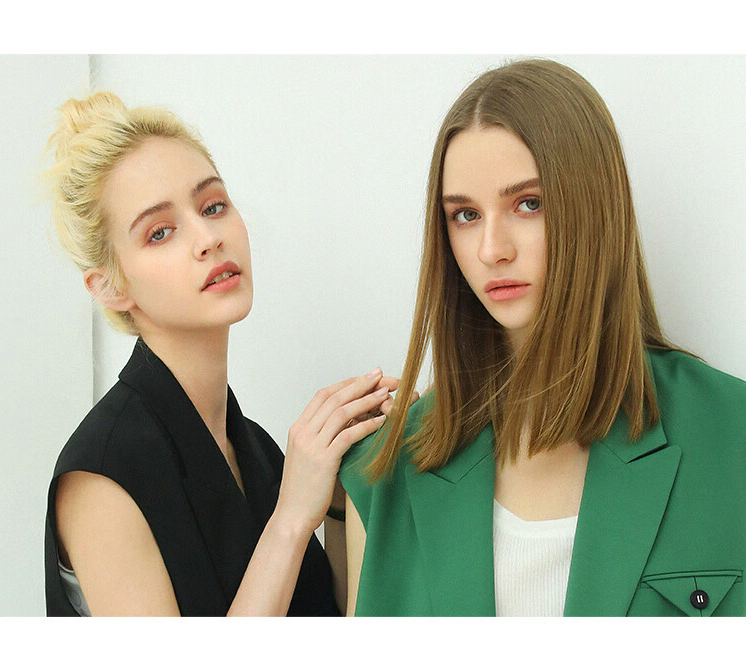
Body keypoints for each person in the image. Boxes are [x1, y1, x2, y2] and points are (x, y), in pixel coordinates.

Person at [340, 58, 746, 617]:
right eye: (465, 215)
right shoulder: (384, 474)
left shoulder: (730, 434)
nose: (492, 250)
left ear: (595, 207)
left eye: (528, 204)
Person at [43, 92, 400, 616]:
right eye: (160, 233)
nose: (208, 238)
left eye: (213, 206)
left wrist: (344, 496)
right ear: (110, 287)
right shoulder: (101, 476)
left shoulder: (258, 452)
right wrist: (292, 516)